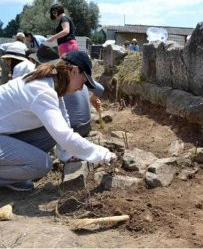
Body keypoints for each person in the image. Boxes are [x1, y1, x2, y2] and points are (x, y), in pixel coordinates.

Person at [0, 50, 116, 192]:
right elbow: (65, 136)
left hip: (4, 134)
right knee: (42, 164)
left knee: (49, 133)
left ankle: (12, 177)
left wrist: (68, 154)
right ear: (74, 71)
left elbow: (64, 124)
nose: (81, 88)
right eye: (83, 81)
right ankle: (10, 177)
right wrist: (103, 154)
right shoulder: (42, 91)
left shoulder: (54, 86)